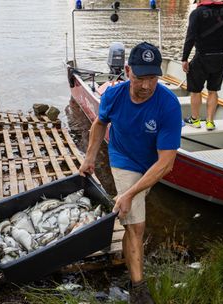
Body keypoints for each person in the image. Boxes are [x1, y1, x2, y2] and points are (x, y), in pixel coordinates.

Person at [79, 42, 182, 304]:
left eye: (152, 78)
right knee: (136, 223)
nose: (146, 86)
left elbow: (166, 163)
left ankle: (128, 208)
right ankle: (138, 289)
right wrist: (89, 157)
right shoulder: (114, 96)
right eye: (139, 78)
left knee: (132, 202)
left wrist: (131, 192)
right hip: (123, 158)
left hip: (152, 163)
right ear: (127, 71)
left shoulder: (168, 105)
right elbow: (100, 123)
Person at [181, 0, 223, 130]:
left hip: (202, 56)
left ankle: (195, 120)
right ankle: (209, 122)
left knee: (196, 91)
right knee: (213, 90)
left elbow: (190, 37)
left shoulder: (197, 13)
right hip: (220, 57)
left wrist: (184, 58)